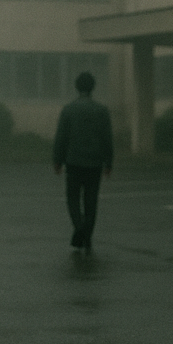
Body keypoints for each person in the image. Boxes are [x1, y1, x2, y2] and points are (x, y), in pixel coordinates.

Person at [52, 71, 113, 253]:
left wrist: (57, 160)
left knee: (72, 198)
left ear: (76, 87)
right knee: (91, 201)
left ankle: (79, 227)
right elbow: (107, 139)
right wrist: (108, 163)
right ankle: (87, 239)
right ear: (93, 87)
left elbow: (61, 137)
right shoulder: (101, 110)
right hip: (94, 163)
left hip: (74, 161)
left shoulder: (69, 109)